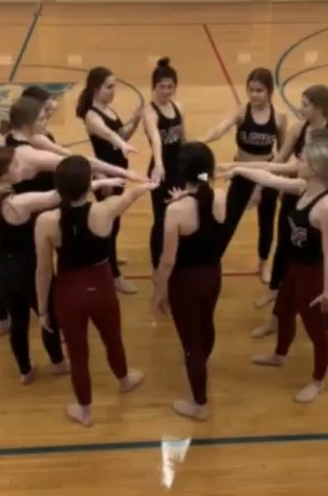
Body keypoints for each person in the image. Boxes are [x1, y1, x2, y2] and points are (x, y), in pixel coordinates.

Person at [0, 146, 122, 383]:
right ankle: (58, 362)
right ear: (2, 174)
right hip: (27, 269)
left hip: (3, 269)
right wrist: (100, 182)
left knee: (18, 321)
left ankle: (25, 370)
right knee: (48, 315)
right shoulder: (17, 203)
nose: (21, 168)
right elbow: (58, 196)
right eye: (15, 166)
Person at [34, 156, 155, 427]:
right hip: (101, 286)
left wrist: (43, 309)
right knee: (113, 338)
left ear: (58, 186)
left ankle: (84, 410)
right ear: (89, 184)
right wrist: (145, 185)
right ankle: (124, 380)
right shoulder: (105, 210)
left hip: (68, 291)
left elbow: (43, 271)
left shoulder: (46, 221)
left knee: (78, 354)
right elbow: (133, 195)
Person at [227, 130, 328, 403]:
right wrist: (239, 168)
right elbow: (270, 178)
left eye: (302, 160)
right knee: (283, 311)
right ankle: (279, 355)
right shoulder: (304, 188)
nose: (297, 162)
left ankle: (318, 380)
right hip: (294, 268)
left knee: (317, 331)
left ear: (314, 170)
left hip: (314, 277)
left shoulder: (326, 208)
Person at [153, 142, 227, 421]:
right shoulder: (218, 195)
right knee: (206, 325)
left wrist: (160, 292)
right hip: (213, 275)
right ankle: (200, 366)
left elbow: (168, 259)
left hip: (187, 281)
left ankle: (200, 404)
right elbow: (203, 190)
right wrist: (186, 194)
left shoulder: (176, 211)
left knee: (190, 341)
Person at [201, 68, 287, 279]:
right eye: (251, 90)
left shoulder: (280, 117)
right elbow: (219, 129)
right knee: (229, 220)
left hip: (266, 177)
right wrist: (200, 142)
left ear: (269, 91)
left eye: (259, 90)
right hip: (242, 174)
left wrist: (277, 181)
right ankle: (214, 259)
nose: (254, 94)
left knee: (266, 223)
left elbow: (283, 152)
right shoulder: (241, 112)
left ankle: (263, 263)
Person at [76, 66, 142, 294]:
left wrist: (134, 121)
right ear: (96, 88)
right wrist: (122, 142)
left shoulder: (108, 109)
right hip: (105, 175)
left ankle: (109, 254)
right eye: (109, 87)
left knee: (115, 221)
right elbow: (110, 136)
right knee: (109, 222)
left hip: (118, 171)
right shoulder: (92, 117)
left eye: (115, 86)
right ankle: (114, 275)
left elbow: (121, 136)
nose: (114, 91)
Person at [143, 57, 185, 269]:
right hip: (160, 171)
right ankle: (156, 263)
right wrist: (159, 164)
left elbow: (182, 137)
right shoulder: (150, 112)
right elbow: (156, 138)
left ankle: (176, 254)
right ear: (154, 87)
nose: (166, 91)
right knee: (161, 218)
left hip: (179, 169)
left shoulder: (178, 106)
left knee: (180, 211)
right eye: (162, 87)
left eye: (170, 86)